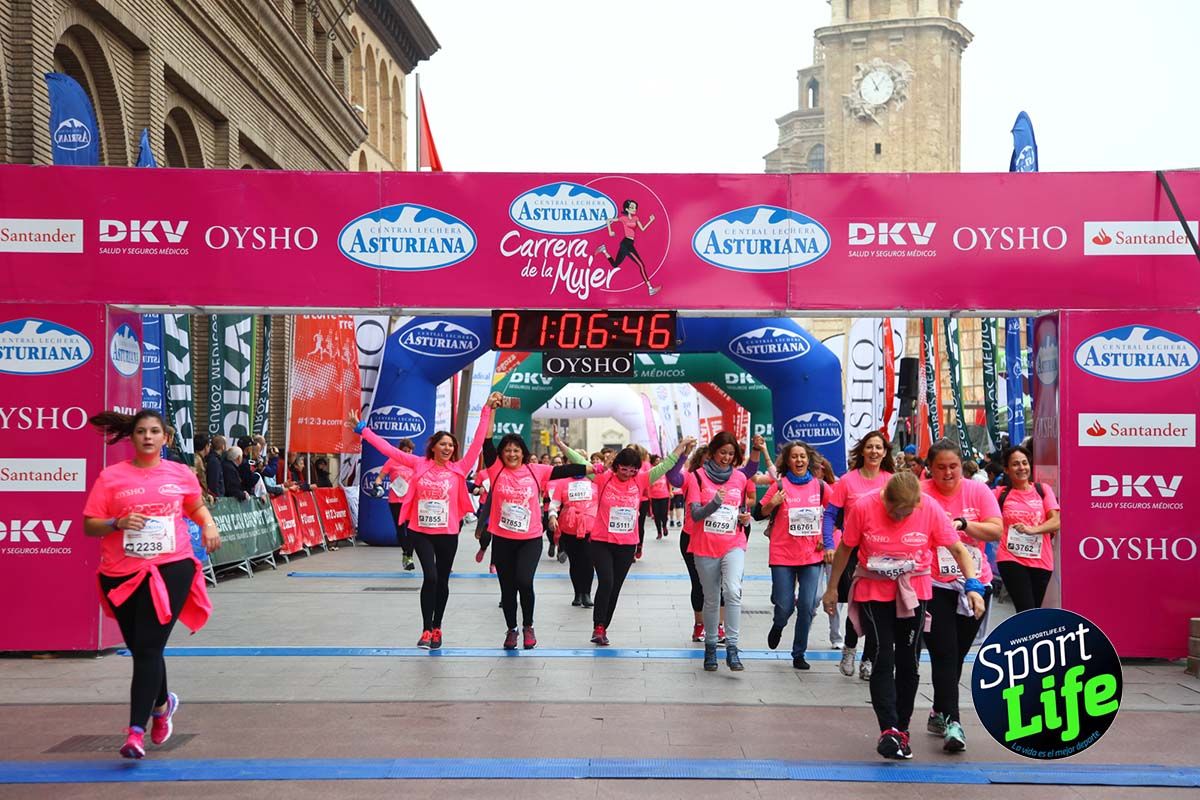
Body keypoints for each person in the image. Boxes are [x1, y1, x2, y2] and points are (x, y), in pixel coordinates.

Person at [82, 410, 221, 760]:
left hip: (172, 567)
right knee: (144, 648)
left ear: (165, 438)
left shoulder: (180, 474)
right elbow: (90, 526)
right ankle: (162, 705)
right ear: (132, 438)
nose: (147, 436)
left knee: (146, 648)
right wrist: (118, 522)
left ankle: (134, 732)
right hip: (121, 573)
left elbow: (195, 506)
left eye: (154, 431)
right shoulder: (111, 478)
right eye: (141, 431)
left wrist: (208, 525)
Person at [821, 471, 985, 761]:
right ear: (886, 500)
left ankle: (903, 729)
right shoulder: (864, 506)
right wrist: (832, 589)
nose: (901, 518)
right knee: (883, 654)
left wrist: (973, 586)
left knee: (908, 659)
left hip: (914, 590)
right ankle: (889, 729)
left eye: (908, 513)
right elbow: (846, 547)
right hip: (873, 588)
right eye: (897, 512)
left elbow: (958, 549)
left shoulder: (930, 508)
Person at [350, 394, 501, 649]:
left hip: (448, 531)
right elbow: (388, 449)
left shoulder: (460, 468)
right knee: (429, 577)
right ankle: (425, 628)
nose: (447, 448)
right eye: (443, 444)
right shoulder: (418, 464)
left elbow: (477, 442)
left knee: (442, 580)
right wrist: (362, 429)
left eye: (451, 445)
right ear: (433, 447)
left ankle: (438, 627)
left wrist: (486, 408)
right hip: (421, 530)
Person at [559, 438, 690, 645]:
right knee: (607, 582)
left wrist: (681, 448)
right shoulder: (603, 478)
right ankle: (598, 626)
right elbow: (580, 462)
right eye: (624, 469)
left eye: (632, 470)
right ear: (616, 466)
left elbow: (665, 466)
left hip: (627, 544)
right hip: (602, 541)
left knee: (615, 587)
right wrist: (562, 445)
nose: (628, 474)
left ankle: (603, 627)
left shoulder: (640, 480)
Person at [920, 440, 1003, 753]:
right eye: (940, 467)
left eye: (953, 466)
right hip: (934, 584)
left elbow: (996, 530)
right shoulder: (921, 491)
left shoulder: (977, 491)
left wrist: (965, 524)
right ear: (930, 467)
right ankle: (953, 722)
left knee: (956, 655)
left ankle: (938, 710)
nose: (947, 473)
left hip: (974, 584)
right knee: (944, 653)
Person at [481, 430, 590, 649]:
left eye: (516, 450)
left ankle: (528, 626)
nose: (512, 454)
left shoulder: (535, 470)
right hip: (503, 538)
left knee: (524, 581)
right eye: (507, 450)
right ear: (501, 454)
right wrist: (490, 410)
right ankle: (511, 629)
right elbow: (486, 441)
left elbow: (568, 469)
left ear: (523, 453)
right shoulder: (496, 470)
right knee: (508, 588)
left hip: (530, 538)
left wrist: (595, 468)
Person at [680, 431, 766, 672]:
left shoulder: (739, 478)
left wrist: (745, 518)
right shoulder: (697, 477)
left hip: (733, 542)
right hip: (705, 545)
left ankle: (732, 647)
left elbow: (740, 506)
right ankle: (709, 647)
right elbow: (696, 515)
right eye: (722, 453)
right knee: (711, 598)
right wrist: (715, 503)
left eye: (731, 454)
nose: (726, 458)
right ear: (712, 453)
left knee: (732, 591)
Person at [823, 431, 895, 680]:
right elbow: (830, 514)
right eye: (870, 447)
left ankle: (869, 658)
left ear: (885, 453)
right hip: (852, 552)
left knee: (879, 609)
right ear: (862, 451)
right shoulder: (847, 481)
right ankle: (851, 648)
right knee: (859, 603)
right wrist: (829, 543)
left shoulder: (892, 480)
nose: (874, 452)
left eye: (879, 448)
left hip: (884, 553)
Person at [755, 441, 830, 670]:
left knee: (807, 606)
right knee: (785, 606)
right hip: (783, 556)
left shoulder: (820, 487)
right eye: (794, 457)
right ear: (787, 461)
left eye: (803, 457)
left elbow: (836, 514)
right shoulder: (779, 485)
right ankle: (778, 624)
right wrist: (772, 504)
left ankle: (799, 653)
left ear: (809, 460)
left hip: (811, 556)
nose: (799, 460)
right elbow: (757, 513)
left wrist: (826, 540)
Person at [994, 445, 1060, 613]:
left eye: (1025, 463)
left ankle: (1025, 639)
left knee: (1033, 612)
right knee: (1025, 609)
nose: (1022, 468)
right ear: (1007, 469)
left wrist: (1033, 530)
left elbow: (1056, 522)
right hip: (1011, 558)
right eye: (1015, 464)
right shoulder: (1000, 493)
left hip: (1041, 560)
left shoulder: (1042, 490)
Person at [548, 466, 598, 609]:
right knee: (575, 562)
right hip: (569, 527)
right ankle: (577, 593)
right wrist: (552, 516)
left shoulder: (594, 482)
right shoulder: (562, 482)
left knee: (588, 560)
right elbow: (555, 503)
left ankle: (587, 593)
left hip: (590, 527)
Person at [596, 199, 660, 295]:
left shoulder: (636, 218)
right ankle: (650, 288)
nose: (634, 209)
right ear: (627, 209)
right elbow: (608, 220)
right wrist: (610, 231)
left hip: (629, 243)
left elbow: (642, 229)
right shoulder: (623, 218)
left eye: (635, 207)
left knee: (615, 265)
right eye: (632, 207)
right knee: (641, 265)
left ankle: (604, 250)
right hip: (626, 244)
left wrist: (650, 221)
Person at [375, 437, 418, 571]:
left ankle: (409, 556)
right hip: (396, 500)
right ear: (400, 451)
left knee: (411, 530)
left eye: (409, 451)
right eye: (404, 451)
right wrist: (377, 485)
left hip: (411, 501)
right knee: (400, 530)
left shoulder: (415, 462)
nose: (407, 453)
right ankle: (405, 552)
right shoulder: (392, 461)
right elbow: (380, 477)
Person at [648, 454, 671, 539]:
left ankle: (664, 526)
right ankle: (659, 532)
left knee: (664, 514)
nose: (658, 462)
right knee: (656, 515)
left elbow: (669, 482)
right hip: (654, 496)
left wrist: (670, 492)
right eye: (656, 460)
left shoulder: (664, 471)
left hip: (664, 495)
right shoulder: (650, 472)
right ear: (653, 462)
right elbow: (647, 484)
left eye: (659, 460)